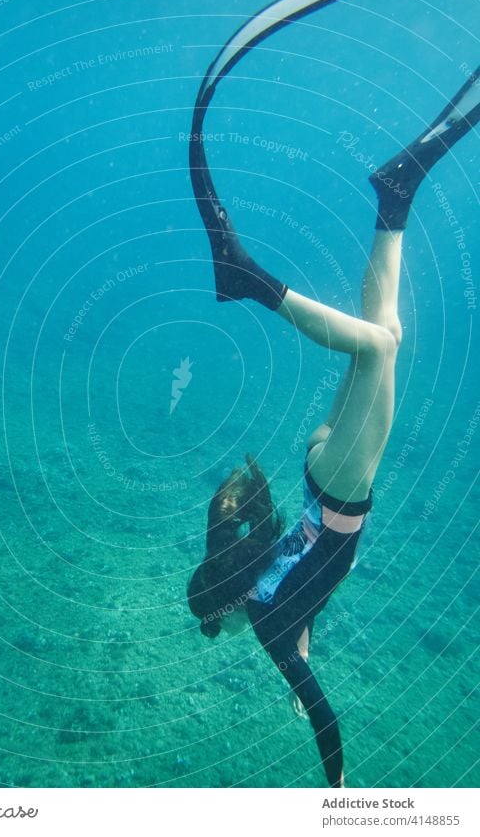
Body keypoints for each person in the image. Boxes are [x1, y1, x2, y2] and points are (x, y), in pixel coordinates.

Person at [187, 68, 480, 788]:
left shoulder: (270, 629)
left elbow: (322, 710)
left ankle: (249, 276)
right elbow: (290, 609)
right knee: (386, 330)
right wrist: (295, 677)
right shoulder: (252, 586)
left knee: (378, 345)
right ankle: (396, 196)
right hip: (322, 467)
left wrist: (337, 785)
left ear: (227, 612)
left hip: (345, 486)